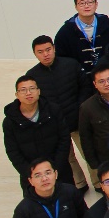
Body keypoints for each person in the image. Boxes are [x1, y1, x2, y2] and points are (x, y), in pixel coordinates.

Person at [26, 36, 84, 188]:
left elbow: (84, 88)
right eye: (40, 52)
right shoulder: (32, 76)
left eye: (48, 49)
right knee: (68, 158)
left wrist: (80, 110)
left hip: (78, 120)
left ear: (54, 48)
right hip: (55, 125)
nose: (45, 54)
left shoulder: (71, 65)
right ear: (35, 54)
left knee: (88, 154)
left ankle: (98, 183)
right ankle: (80, 184)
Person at [3, 75, 72, 191]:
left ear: (38, 91)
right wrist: (31, 174)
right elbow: (12, 151)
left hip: (59, 170)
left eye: (32, 89)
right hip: (30, 176)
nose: (28, 93)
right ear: (17, 94)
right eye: (23, 90)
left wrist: (54, 169)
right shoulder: (10, 121)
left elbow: (64, 139)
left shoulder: (53, 110)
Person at [54, 0, 109, 74]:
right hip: (79, 77)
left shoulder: (108, 24)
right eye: (82, 3)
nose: (86, 6)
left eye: (90, 2)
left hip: (106, 76)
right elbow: (62, 59)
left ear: (96, 4)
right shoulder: (65, 31)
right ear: (76, 7)